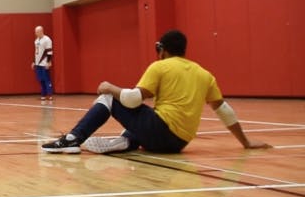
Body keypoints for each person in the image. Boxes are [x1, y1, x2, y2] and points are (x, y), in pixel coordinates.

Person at [42, 29, 271, 154]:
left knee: (108, 98)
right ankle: (127, 142)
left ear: (163, 50)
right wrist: (246, 142)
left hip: (159, 132)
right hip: (178, 144)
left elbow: (131, 100)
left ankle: (72, 139)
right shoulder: (204, 74)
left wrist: (109, 87)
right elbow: (225, 110)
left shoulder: (160, 66)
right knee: (146, 117)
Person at [33, 26, 54, 102]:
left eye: (36, 32)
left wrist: (48, 62)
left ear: (41, 31)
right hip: (38, 64)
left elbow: (49, 52)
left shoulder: (47, 40)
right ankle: (43, 95)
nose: (35, 33)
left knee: (46, 79)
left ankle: (50, 95)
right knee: (40, 79)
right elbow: (36, 52)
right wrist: (34, 61)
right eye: (35, 32)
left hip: (44, 63)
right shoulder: (36, 40)